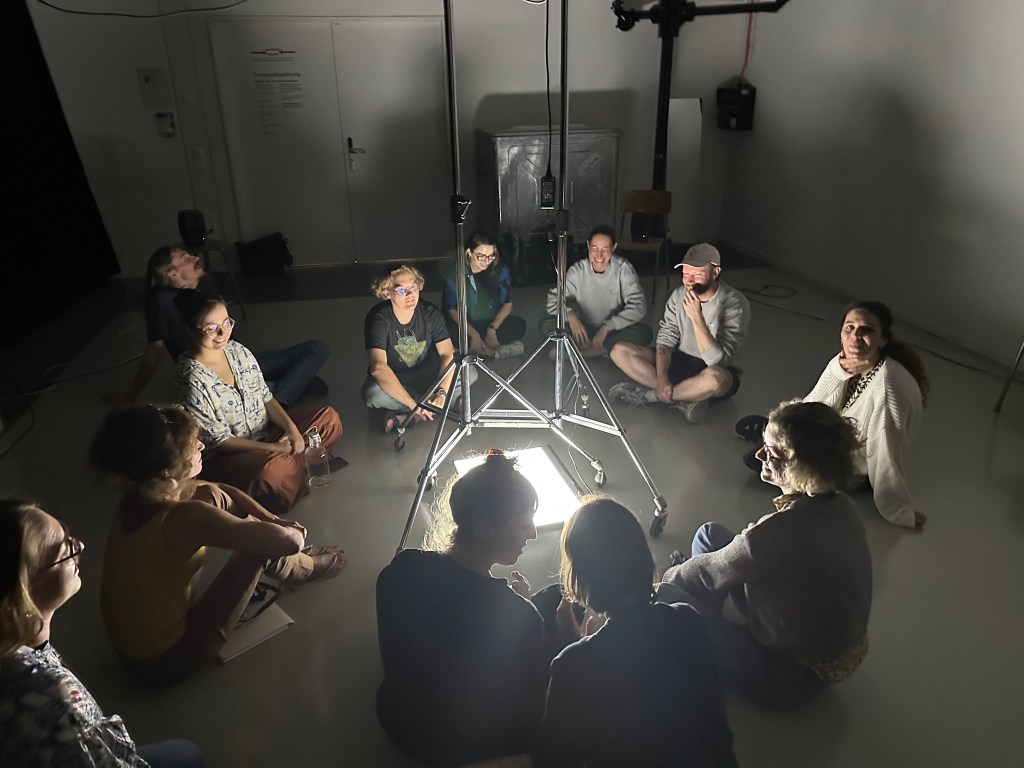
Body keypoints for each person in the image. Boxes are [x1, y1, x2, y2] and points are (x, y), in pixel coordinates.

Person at [90, 405, 346, 684]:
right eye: (191, 446)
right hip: (165, 662)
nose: (201, 445)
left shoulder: (141, 493)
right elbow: (288, 542)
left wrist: (274, 520)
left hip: (134, 647)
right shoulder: (185, 517)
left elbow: (220, 490)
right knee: (264, 546)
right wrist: (291, 532)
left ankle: (295, 562)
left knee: (214, 497)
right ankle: (306, 570)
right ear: (167, 471)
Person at [659, 400, 873, 710]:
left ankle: (702, 634)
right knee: (710, 536)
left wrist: (663, 583)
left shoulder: (774, 534)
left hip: (782, 678)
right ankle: (706, 620)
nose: (758, 455)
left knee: (667, 595)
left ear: (800, 468)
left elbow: (707, 571)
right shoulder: (844, 508)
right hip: (809, 645)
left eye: (770, 452)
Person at [0, 498, 205, 766]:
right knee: (188, 755)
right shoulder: (54, 699)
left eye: (68, 533)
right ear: (20, 597)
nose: (81, 546)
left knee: (186, 752)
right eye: (65, 550)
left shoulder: (15, 646)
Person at [536, 497, 738, 768]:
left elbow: (552, 760)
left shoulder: (572, 666)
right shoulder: (687, 619)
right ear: (642, 557)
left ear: (580, 577)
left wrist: (572, 651)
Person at [376, 452, 547, 767]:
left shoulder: (400, 569)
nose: (533, 534)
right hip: (459, 750)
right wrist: (522, 608)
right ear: (486, 530)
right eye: (524, 524)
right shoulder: (523, 618)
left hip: (397, 721)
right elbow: (530, 710)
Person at [736, 300, 929, 531]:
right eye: (850, 328)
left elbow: (886, 447)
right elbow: (810, 406)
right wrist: (838, 371)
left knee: (756, 459)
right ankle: (769, 433)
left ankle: (767, 434)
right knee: (776, 435)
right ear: (841, 334)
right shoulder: (845, 363)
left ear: (883, 339)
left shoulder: (888, 386)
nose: (856, 336)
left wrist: (897, 509)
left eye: (867, 330)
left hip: (851, 468)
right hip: (835, 439)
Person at [174, 289, 344, 516]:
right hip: (231, 454)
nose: (223, 333)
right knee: (272, 470)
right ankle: (292, 469)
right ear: (190, 330)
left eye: (226, 322)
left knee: (328, 419)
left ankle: (288, 471)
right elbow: (221, 441)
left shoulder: (237, 351)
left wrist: (292, 430)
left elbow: (266, 396)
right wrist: (275, 448)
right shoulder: (193, 377)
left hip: (266, 432)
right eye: (211, 328)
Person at [107, 245, 329, 408]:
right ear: (172, 273)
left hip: (242, 363)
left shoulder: (205, 283)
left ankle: (284, 389)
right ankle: (285, 395)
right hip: (216, 379)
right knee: (262, 390)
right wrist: (131, 396)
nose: (195, 258)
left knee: (317, 349)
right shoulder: (162, 302)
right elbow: (155, 350)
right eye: (186, 258)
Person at [608, 242, 750, 423]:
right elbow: (666, 338)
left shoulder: (735, 303)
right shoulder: (679, 295)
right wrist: (662, 379)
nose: (688, 281)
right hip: (681, 358)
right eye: (685, 274)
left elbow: (717, 361)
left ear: (715, 273)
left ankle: (650, 396)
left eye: (697, 275)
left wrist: (697, 318)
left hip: (714, 369)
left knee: (716, 379)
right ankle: (684, 397)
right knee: (619, 351)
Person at [363, 264, 473, 434]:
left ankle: (411, 416)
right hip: (396, 379)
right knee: (373, 394)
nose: (410, 294)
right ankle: (434, 407)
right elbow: (378, 368)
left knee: (469, 371)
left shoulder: (430, 312)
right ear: (387, 293)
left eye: (413, 288)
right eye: (401, 290)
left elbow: (448, 353)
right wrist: (412, 402)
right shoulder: (378, 319)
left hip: (429, 376)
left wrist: (441, 392)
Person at [539, 224, 651, 359]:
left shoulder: (623, 269)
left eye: (605, 249)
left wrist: (608, 326)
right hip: (583, 328)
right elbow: (553, 300)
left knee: (644, 333)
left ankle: (586, 352)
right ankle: (602, 348)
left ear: (614, 247)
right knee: (546, 325)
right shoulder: (578, 271)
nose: (599, 255)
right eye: (594, 248)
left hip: (613, 329)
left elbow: (639, 306)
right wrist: (570, 315)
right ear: (588, 246)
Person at [441, 231, 526, 359]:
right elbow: (452, 310)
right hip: (464, 323)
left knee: (519, 325)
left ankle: (476, 349)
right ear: (469, 252)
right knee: (445, 333)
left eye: (490, 256)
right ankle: (492, 351)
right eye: (481, 256)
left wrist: (492, 329)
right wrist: (474, 335)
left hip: (490, 321)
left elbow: (507, 304)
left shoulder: (500, 269)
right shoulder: (456, 272)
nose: (486, 261)